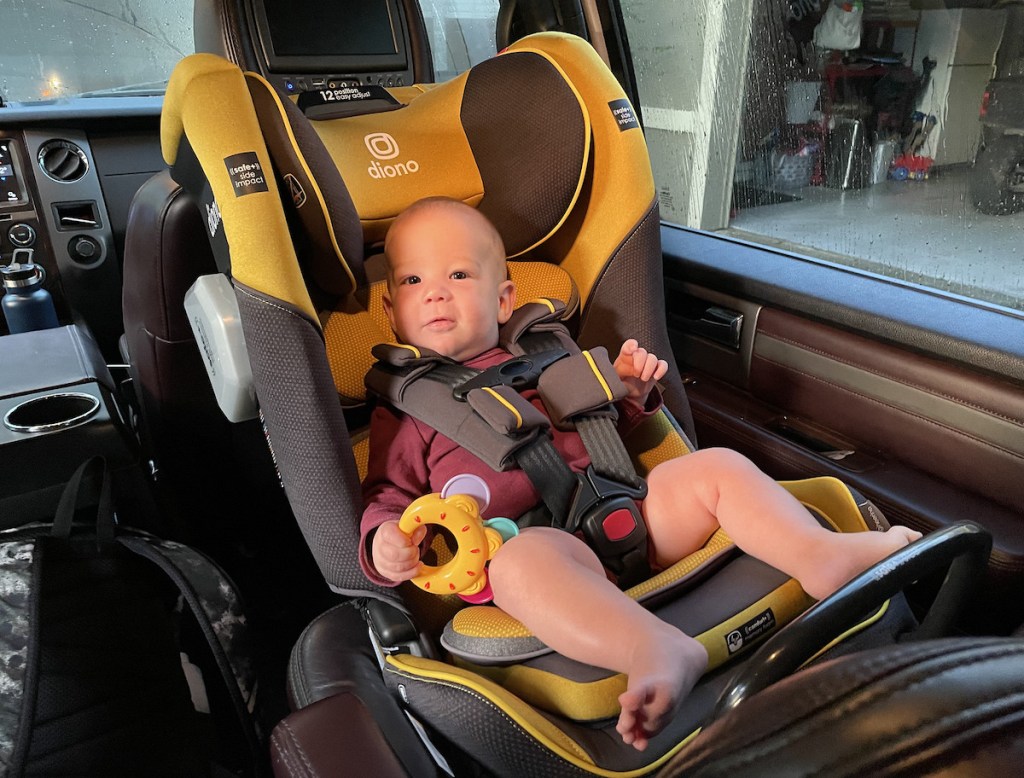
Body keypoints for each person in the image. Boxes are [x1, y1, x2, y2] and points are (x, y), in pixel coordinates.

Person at [360, 196, 921, 751]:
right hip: (534, 547)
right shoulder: (410, 410)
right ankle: (654, 649)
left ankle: (823, 558)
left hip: (625, 510)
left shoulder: (546, 352)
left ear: (505, 299)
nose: (434, 291)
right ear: (390, 311)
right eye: (412, 281)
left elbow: (603, 429)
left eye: (458, 273)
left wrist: (630, 390)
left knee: (717, 467)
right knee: (519, 564)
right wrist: (386, 539)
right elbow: (388, 493)